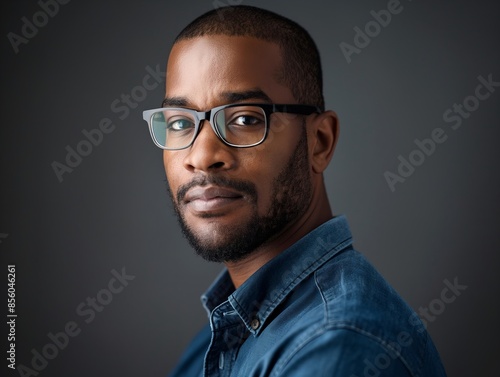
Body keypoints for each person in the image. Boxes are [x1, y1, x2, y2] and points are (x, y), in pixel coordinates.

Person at [142, 5, 447, 376]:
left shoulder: (338, 347)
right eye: (178, 122)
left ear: (319, 142)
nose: (202, 156)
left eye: (244, 119)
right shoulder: (225, 331)